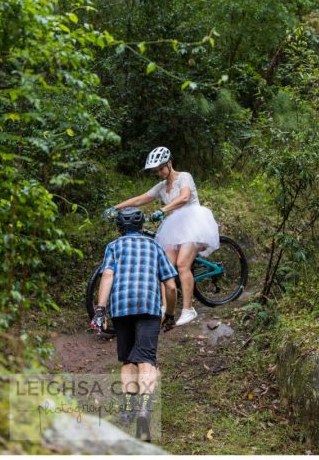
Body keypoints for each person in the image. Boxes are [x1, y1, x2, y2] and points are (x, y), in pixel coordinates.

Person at [90, 207, 178, 441]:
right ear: (140, 226)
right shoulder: (155, 246)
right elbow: (170, 286)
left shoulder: (114, 246)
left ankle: (128, 410)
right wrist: (169, 314)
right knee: (147, 360)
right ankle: (144, 412)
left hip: (121, 309)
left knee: (128, 359)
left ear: (119, 227)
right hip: (148, 308)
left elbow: (107, 275)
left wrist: (100, 309)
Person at [113, 146, 219, 326]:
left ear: (170, 163)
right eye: (156, 171)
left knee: (182, 265)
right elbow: (140, 199)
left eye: (162, 168)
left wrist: (163, 209)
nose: (160, 173)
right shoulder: (161, 187)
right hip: (175, 226)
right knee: (165, 266)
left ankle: (188, 309)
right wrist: (115, 208)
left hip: (194, 222)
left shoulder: (184, 177)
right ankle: (165, 306)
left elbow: (184, 197)